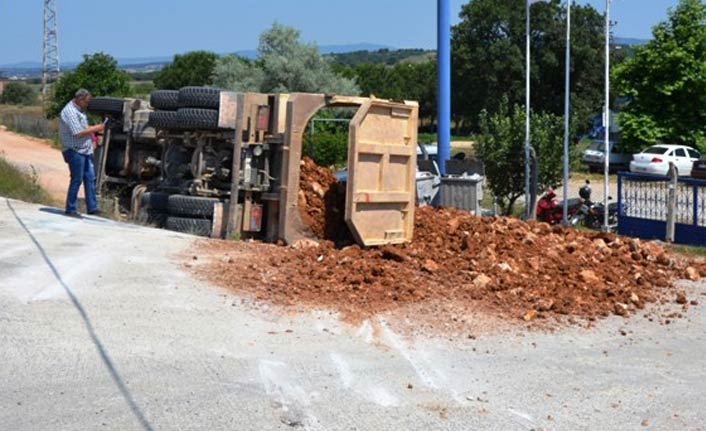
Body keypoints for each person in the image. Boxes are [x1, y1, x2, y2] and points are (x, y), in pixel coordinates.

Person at [59, 89, 105, 217]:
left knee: (89, 178)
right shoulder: (70, 112)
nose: (87, 104)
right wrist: (99, 128)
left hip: (83, 150)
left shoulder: (79, 111)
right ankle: (71, 208)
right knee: (77, 179)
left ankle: (92, 207)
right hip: (74, 150)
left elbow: (85, 128)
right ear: (79, 99)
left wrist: (93, 138)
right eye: (86, 102)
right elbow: (78, 132)